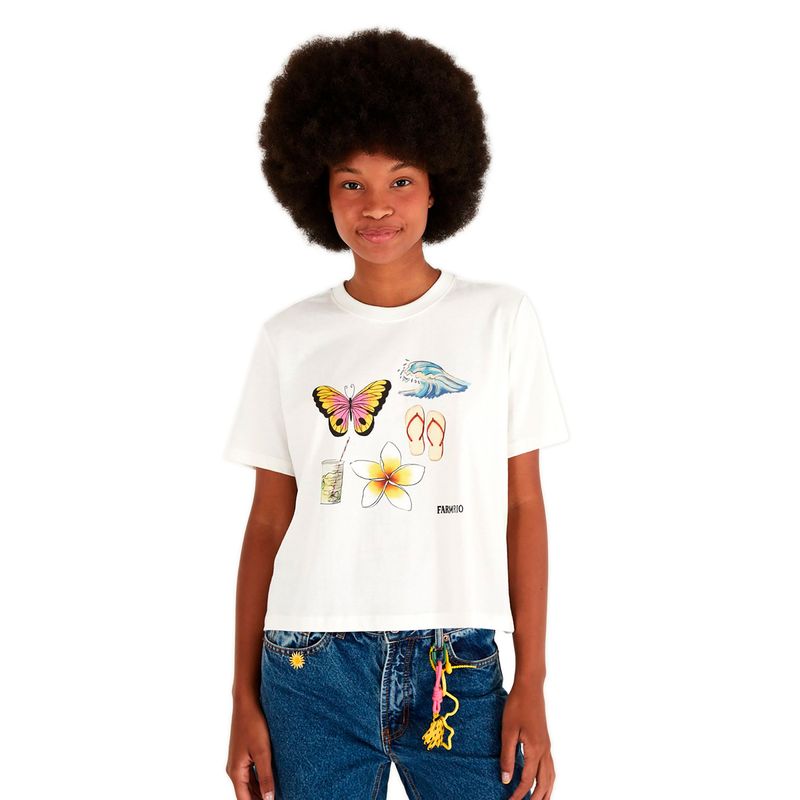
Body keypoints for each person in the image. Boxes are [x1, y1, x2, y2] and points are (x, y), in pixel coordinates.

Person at [223, 28, 569, 800]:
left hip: (460, 670)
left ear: (439, 183)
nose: (376, 206)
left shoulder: (500, 319)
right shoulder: (288, 338)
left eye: (401, 180)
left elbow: (524, 506)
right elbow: (267, 523)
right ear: (318, 191)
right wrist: (242, 697)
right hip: (308, 670)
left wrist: (533, 682)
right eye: (351, 183)